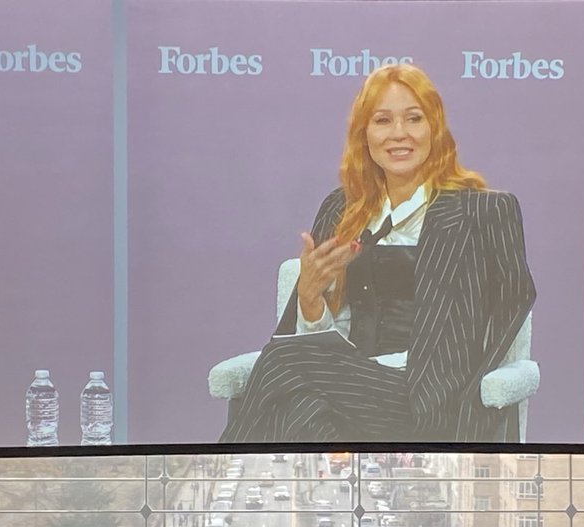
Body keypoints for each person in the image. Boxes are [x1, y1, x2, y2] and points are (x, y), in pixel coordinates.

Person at [220, 63, 536, 443]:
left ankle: (221, 476)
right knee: (301, 409)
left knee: (284, 361)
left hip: (425, 396)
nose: (399, 134)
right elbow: (318, 337)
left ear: (434, 127)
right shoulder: (342, 209)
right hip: (351, 383)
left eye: (414, 119)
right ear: (364, 134)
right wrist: (308, 298)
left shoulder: (481, 211)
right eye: (382, 120)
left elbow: (511, 303)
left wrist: (467, 394)